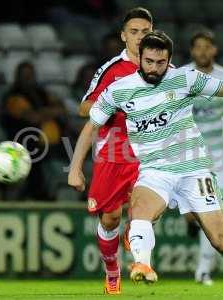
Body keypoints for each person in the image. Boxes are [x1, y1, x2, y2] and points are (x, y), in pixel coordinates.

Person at [68, 31, 223, 297]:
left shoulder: (185, 79)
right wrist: (75, 168)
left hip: (193, 169)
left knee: (221, 242)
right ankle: (142, 263)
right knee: (140, 211)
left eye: (160, 62)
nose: (154, 68)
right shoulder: (118, 91)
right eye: (149, 61)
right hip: (155, 170)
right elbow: (91, 126)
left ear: (169, 60)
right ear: (140, 58)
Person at [77, 7, 153, 295]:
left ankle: (138, 248)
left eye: (145, 32)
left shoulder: (163, 67)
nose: (139, 37)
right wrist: (115, 105)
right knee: (109, 219)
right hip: (115, 153)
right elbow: (84, 107)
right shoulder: (111, 70)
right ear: (123, 36)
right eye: (133, 32)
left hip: (149, 153)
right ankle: (112, 270)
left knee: (144, 210)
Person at [182, 30, 223, 285]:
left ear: (214, 50)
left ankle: (203, 271)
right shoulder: (181, 77)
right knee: (195, 215)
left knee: (213, 210)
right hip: (187, 154)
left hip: (218, 157)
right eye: (198, 47)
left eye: (207, 47)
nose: (203, 52)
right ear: (192, 51)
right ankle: (191, 221)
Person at [1, 61, 68, 200]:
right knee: (36, 175)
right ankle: (33, 196)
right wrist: (49, 112)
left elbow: (62, 109)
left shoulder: (42, 93)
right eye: (24, 76)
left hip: (54, 144)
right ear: (17, 77)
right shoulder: (13, 96)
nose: (28, 79)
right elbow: (32, 117)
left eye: (30, 75)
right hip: (27, 144)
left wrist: (43, 112)